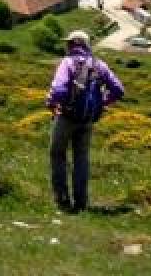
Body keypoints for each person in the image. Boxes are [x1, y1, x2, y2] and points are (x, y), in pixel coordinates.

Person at [46, 30, 125, 214]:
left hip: (66, 116)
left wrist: (51, 103)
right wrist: (102, 103)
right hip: (88, 119)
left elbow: (58, 89)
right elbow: (118, 90)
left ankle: (62, 199)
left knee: (57, 154)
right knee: (81, 158)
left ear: (72, 44)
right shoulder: (99, 65)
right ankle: (81, 203)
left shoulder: (67, 62)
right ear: (86, 45)